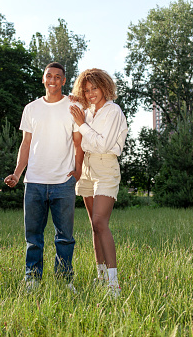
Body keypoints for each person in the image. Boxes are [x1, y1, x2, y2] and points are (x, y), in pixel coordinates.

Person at [4, 62, 83, 292]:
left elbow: (79, 143)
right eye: (49, 76)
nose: (53, 80)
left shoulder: (73, 106)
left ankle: (64, 280)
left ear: (64, 81)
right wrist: (18, 173)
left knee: (65, 237)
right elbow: (26, 143)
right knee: (33, 237)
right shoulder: (31, 108)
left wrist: (77, 171)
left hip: (63, 183)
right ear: (43, 79)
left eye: (58, 77)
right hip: (35, 182)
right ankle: (32, 279)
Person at [69, 68, 128, 297]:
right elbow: (82, 142)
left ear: (105, 86)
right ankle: (101, 276)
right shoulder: (89, 111)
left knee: (100, 222)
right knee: (94, 227)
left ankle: (114, 283)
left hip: (105, 166)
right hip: (87, 168)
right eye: (86, 90)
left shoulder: (113, 111)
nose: (91, 93)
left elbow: (102, 145)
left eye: (95, 88)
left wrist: (82, 123)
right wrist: (80, 110)